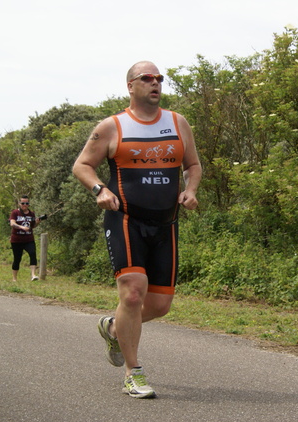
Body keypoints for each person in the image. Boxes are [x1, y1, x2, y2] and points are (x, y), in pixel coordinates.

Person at [73, 61, 202, 398]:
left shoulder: (177, 123)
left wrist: (190, 190)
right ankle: (133, 372)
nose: (155, 83)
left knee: (160, 305)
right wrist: (99, 190)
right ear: (131, 86)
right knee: (133, 292)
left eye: (159, 78)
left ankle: (115, 328)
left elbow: (193, 165)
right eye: (147, 78)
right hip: (125, 219)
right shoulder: (112, 126)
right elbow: (82, 165)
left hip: (166, 223)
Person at [9, 195, 41, 281]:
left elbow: (33, 226)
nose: (25, 205)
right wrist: (22, 227)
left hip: (28, 239)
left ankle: (33, 275)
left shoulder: (31, 214)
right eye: (23, 203)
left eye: (26, 203)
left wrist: (37, 223)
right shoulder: (15, 213)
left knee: (32, 253)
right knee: (17, 258)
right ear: (19, 203)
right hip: (17, 240)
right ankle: (14, 278)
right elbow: (12, 223)